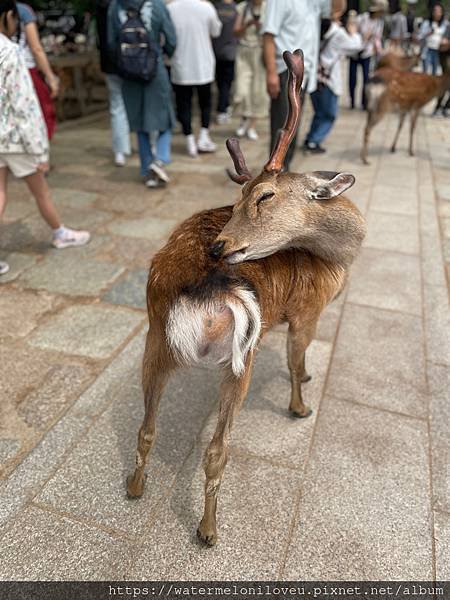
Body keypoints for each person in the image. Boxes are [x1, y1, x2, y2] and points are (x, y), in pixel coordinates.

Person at [0, 0, 90, 278]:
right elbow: (24, 105)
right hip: (16, 136)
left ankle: (60, 231)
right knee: (41, 191)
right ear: (7, 16)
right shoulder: (9, 51)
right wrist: (40, 150)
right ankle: (59, 233)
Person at [262, 0, 346, 171]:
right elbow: (268, 36)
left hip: (306, 73)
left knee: (294, 127)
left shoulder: (313, 3)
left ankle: (284, 172)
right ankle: (274, 175)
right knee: (282, 126)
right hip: (286, 70)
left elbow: (337, 9)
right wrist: (271, 73)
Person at [108, 0, 176, 188]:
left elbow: (111, 43)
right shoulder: (156, 5)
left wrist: (127, 63)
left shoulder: (116, 6)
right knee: (166, 118)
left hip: (129, 73)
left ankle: (147, 171)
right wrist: (162, 55)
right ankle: (160, 159)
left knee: (139, 122)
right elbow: (171, 39)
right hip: (155, 69)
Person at [168, 0, 222, 157]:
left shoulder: (171, 8)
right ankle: (204, 136)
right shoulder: (206, 7)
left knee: (183, 104)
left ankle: (190, 140)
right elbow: (216, 31)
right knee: (205, 103)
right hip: (203, 63)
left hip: (180, 63)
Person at [303, 12, 362, 153]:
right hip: (328, 81)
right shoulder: (339, 34)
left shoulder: (313, 29)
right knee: (330, 114)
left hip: (313, 78)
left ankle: (310, 138)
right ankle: (313, 141)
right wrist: (353, 32)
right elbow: (356, 46)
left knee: (319, 112)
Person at [15, 3, 58, 145]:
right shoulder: (22, 10)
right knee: (41, 112)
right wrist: (50, 77)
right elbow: (36, 48)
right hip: (25, 69)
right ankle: (39, 158)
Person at [96, 0, 131, 167]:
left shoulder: (102, 6)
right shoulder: (128, 4)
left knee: (117, 107)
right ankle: (151, 149)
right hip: (136, 62)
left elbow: (101, 40)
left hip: (110, 63)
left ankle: (120, 151)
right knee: (141, 105)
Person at [233, 0, 267, 141]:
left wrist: (262, 27)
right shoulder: (243, 7)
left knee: (258, 90)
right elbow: (236, 32)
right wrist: (247, 24)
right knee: (241, 89)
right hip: (244, 51)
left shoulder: (269, 7)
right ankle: (243, 120)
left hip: (260, 51)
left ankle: (252, 125)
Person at [348, 0, 387, 110]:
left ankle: (364, 103)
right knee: (352, 79)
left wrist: (380, 52)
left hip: (367, 53)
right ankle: (352, 101)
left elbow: (377, 39)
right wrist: (363, 37)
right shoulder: (361, 18)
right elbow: (353, 32)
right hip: (355, 52)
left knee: (366, 79)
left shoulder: (379, 23)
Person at [213, 0, 238, 125]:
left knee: (220, 82)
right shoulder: (236, 9)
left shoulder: (214, 8)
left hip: (216, 51)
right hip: (229, 53)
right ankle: (223, 109)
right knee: (226, 84)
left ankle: (224, 107)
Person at [418, 3, 447, 76]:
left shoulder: (444, 24)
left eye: (439, 11)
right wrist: (428, 33)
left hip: (437, 51)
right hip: (427, 50)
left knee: (435, 72)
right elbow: (420, 36)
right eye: (436, 11)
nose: (438, 13)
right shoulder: (427, 23)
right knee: (426, 72)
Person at [434, 20, 450, 116]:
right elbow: (443, 43)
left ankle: (446, 107)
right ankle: (438, 108)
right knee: (445, 84)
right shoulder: (448, 27)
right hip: (446, 59)